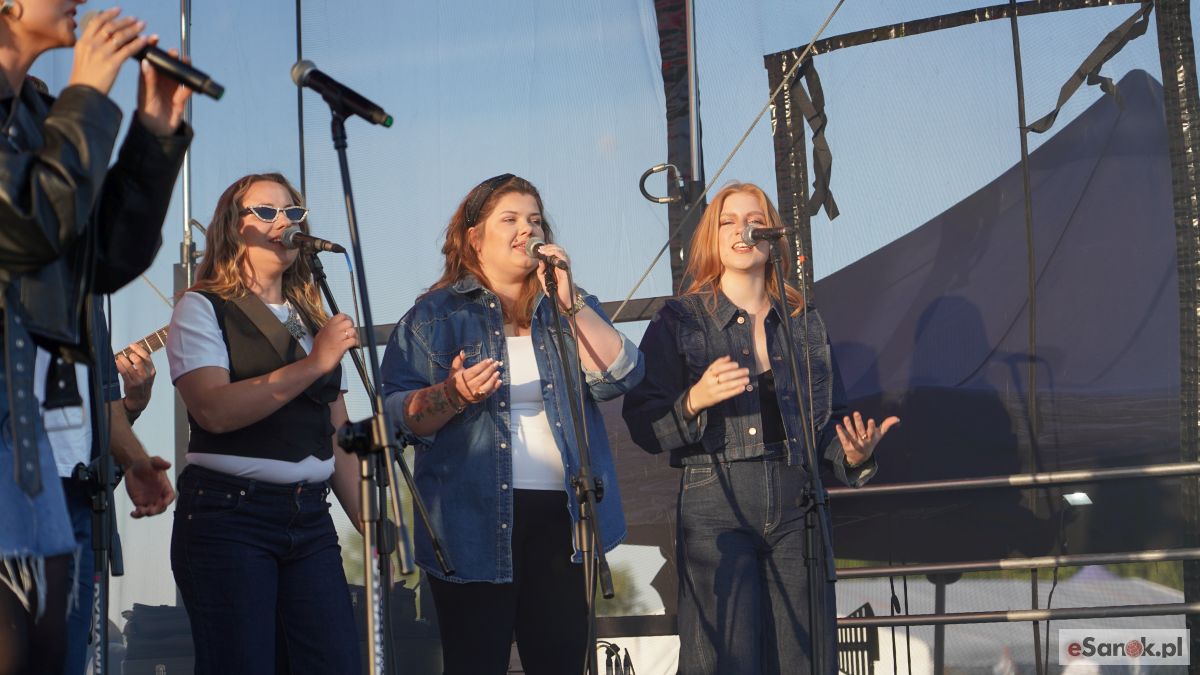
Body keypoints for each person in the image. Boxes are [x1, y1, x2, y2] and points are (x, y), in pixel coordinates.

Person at [621, 182, 899, 675]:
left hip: (798, 501)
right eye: (728, 221)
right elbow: (643, 423)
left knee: (804, 657)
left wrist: (852, 454)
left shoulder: (803, 321)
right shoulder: (681, 319)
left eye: (755, 220)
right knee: (722, 658)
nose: (743, 230)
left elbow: (825, 422)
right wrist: (695, 400)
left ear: (773, 237)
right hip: (717, 500)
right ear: (711, 238)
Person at [380, 173, 644, 674]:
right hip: (470, 523)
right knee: (476, 662)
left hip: (564, 520)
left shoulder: (565, 305)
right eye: (510, 219)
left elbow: (622, 374)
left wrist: (569, 302)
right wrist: (452, 395)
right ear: (474, 238)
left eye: (535, 220)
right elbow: (396, 416)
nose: (527, 229)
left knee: (561, 662)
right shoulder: (435, 317)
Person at [0, 3, 192, 672]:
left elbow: (104, 261)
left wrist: (153, 132)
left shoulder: (41, 116)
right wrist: (87, 94)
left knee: (50, 658)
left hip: (52, 465)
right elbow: (26, 227)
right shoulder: (61, 114)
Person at [166, 173, 361, 674]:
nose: (283, 222)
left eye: (293, 212)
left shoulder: (310, 316)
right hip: (230, 516)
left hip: (310, 517)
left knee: (336, 662)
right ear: (235, 227)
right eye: (267, 212)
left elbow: (338, 434)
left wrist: (374, 525)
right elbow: (213, 410)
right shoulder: (201, 307)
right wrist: (314, 364)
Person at [41, 331, 174, 675]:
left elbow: (92, 441)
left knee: (66, 654)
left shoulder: (88, 314)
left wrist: (128, 411)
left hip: (75, 511)